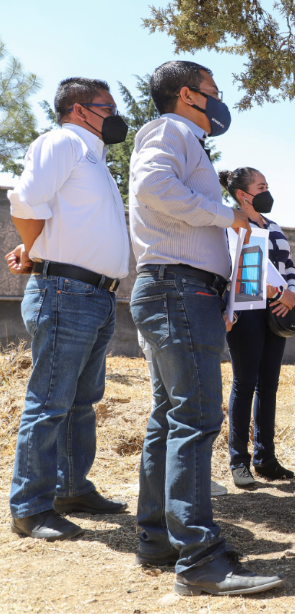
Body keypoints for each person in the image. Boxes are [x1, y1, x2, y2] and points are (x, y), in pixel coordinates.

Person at [129, 60, 283, 595]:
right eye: (212, 91)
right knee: (194, 419)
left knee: (169, 419)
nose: (219, 100)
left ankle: (159, 539)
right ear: (187, 95)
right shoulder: (173, 131)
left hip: (177, 289)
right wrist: (224, 214)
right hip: (178, 289)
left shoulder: (182, 137)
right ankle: (198, 559)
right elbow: (153, 188)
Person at [4, 77, 131, 541]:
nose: (116, 116)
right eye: (107, 107)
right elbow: (25, 200)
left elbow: (66, 217)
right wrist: (36, 248)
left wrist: (32, 247)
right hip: (66, 292)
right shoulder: (61, 142)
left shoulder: (94, 157)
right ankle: (30, 507)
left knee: (81, 401)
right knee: (50, 402)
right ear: (80, 109)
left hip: (96, 295)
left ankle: (72, 488)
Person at [218, 167, 295, 489]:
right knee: (245, 383)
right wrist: (263, 288)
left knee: (269, 385)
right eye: (261, 186)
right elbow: (230, 266)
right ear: (243, 194)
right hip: (245, 311)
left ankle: (266, 458)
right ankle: (239, 461)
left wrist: (291, 295)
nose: (267, 191)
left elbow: (288, 265)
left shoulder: (275, 226)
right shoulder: (232, 223)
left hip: (276, 310)